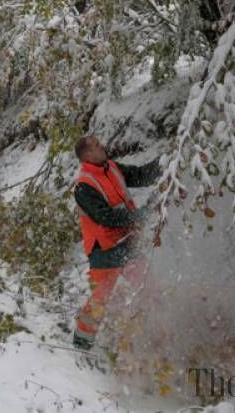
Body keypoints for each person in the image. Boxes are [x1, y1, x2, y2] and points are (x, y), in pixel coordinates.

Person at [72, 135, 160, 350]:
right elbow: (106, 218)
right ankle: (81, 343)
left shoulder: (111, 167)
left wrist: (166, 162)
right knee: (101, 297)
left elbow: (140, 175)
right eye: (96, 145)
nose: (102, 146)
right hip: (103, 249)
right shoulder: (83, 186)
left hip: (126, 240)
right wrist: (138, 216)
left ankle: (159, 327)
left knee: (147, 282)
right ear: (87, 155)